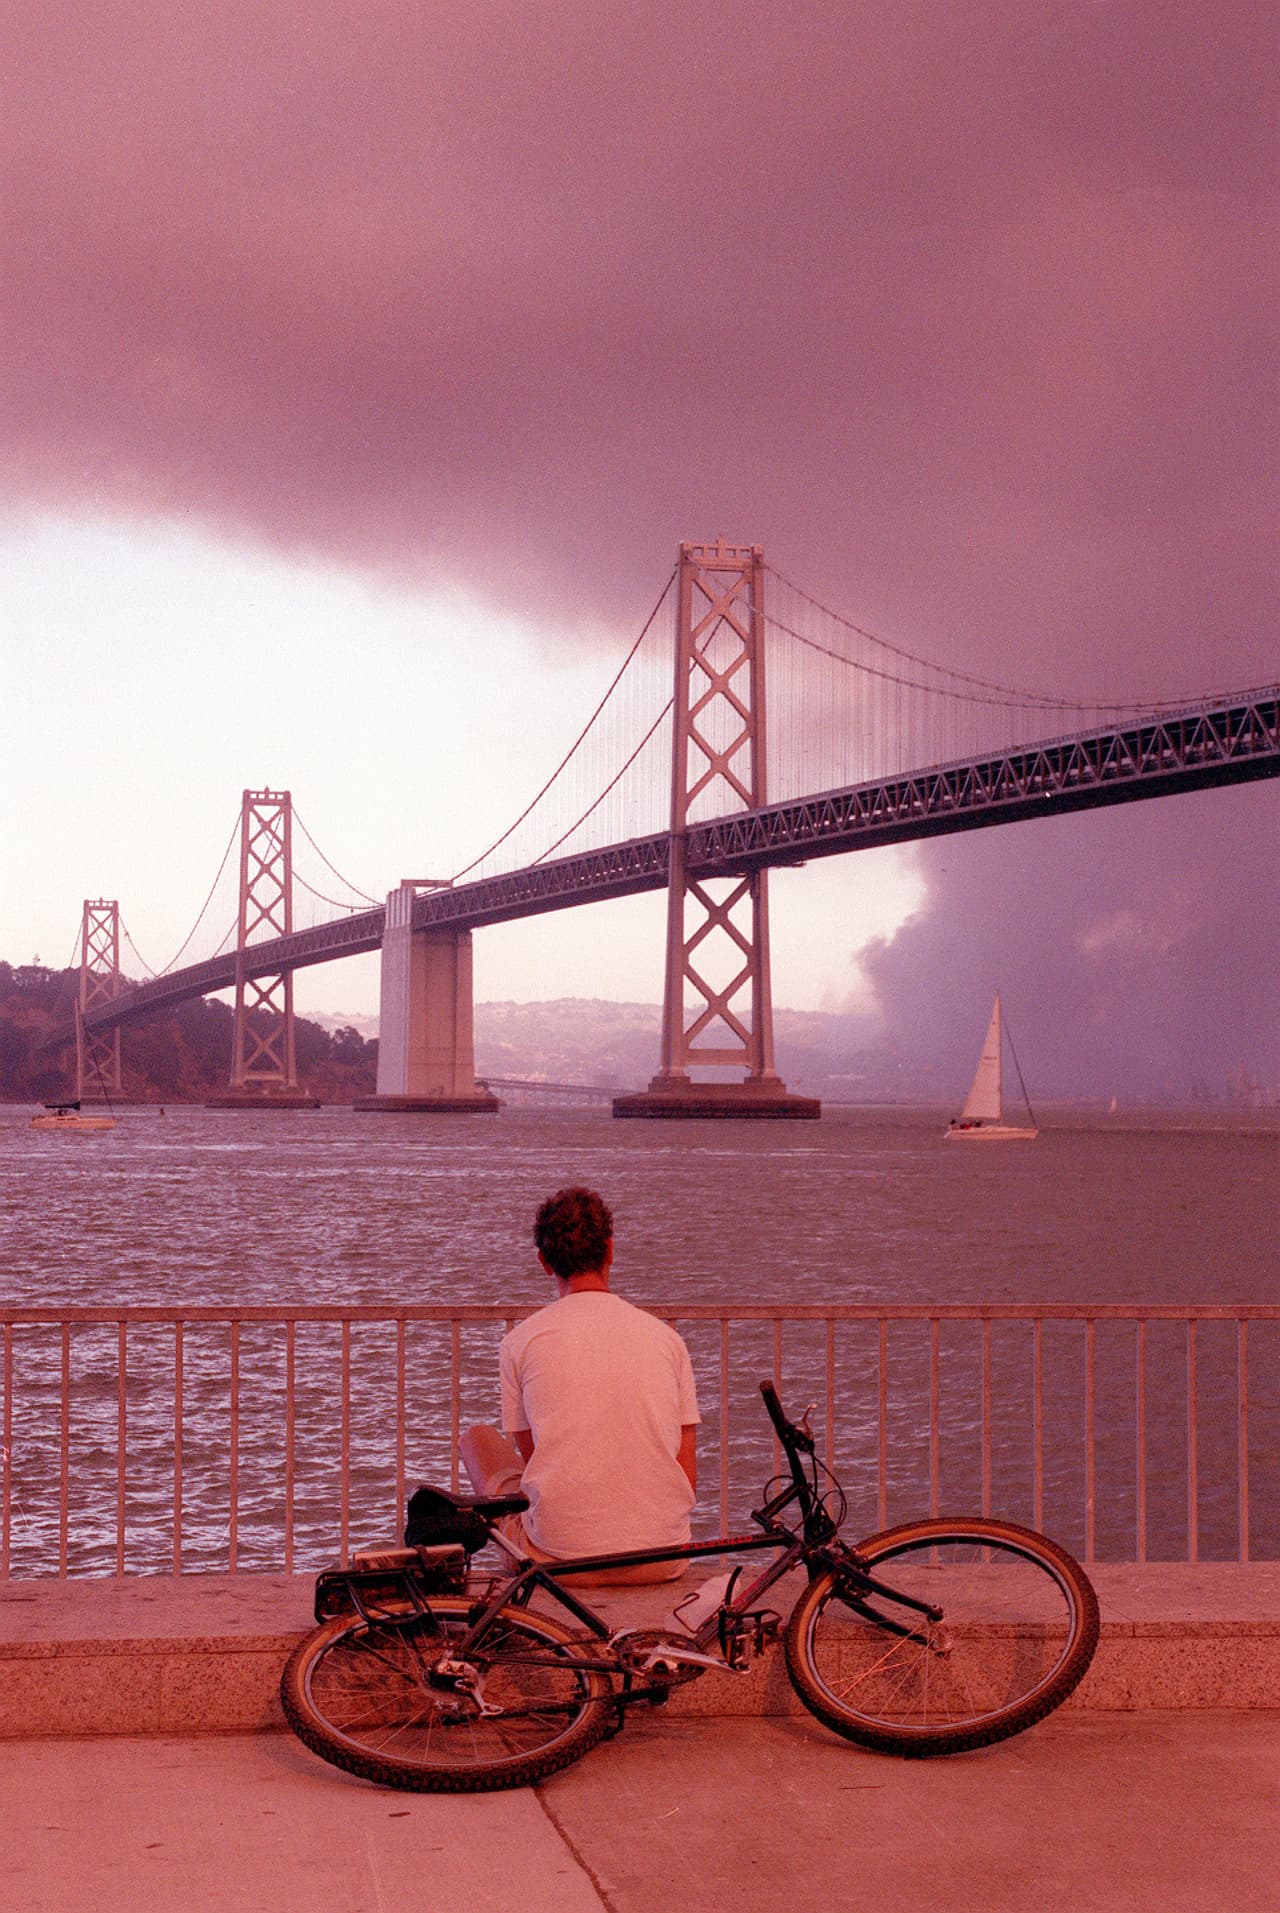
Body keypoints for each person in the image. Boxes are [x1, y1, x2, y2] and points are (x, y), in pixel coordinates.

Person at [460, 1186, 699, 1584]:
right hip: (664, 1556)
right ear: (610, 1251)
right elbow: (686, 1473)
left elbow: (536, 1456)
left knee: (476, 1439)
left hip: (562, 1564)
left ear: (544, 1263)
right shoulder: (666, 1340)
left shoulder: (521, 1341)